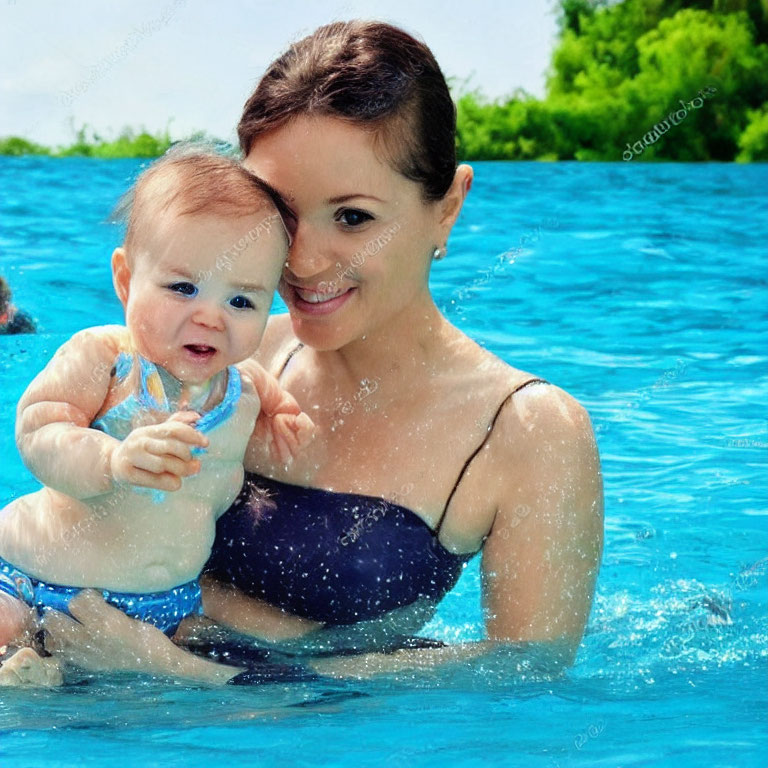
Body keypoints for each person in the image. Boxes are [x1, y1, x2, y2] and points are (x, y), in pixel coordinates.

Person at [39, 20, 604, 683]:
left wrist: (187, 674)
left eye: (353, 217)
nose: (301, 261)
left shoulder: (527, 431)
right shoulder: (217, 357)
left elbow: (526, 672)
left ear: (447, 207)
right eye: (281, 215)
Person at [0, 148, 314, 686]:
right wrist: (113, 458)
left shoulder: (243, 384)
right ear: (125, 281)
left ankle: (40, 674)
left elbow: (267, 389)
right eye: (183, 288)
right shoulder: (107, 358)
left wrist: (282, 415)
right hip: (32, 578)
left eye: (242, 301)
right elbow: (37, 428)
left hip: (164, 606)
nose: (211, 316)